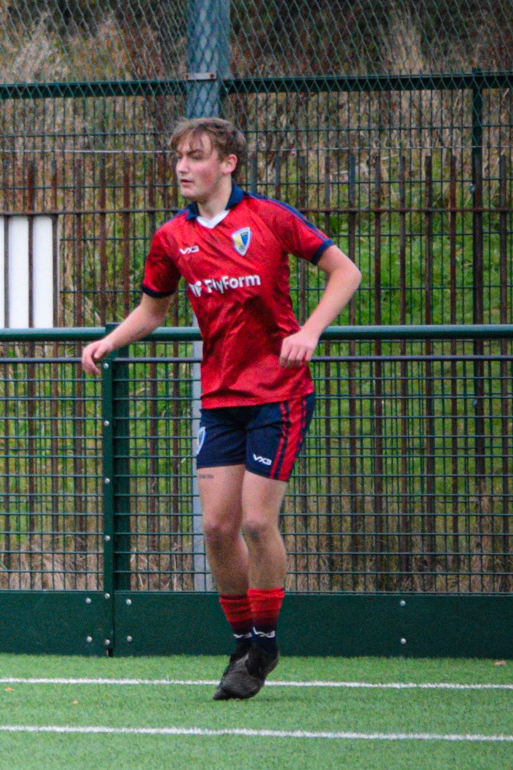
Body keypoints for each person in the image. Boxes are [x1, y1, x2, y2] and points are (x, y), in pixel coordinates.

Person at [80, 116, 361, 700]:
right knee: (215, 527)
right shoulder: (170, 238)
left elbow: (345, 272)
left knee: (258, 522)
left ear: (228, 162)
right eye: (178, 155)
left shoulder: (270, 219)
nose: (183, 166)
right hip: (221, 398)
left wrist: (310, 330)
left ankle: (265, 641)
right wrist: (111, 340)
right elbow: (152, 312)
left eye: (197, 155)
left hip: (279, 394)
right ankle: (244, 644)